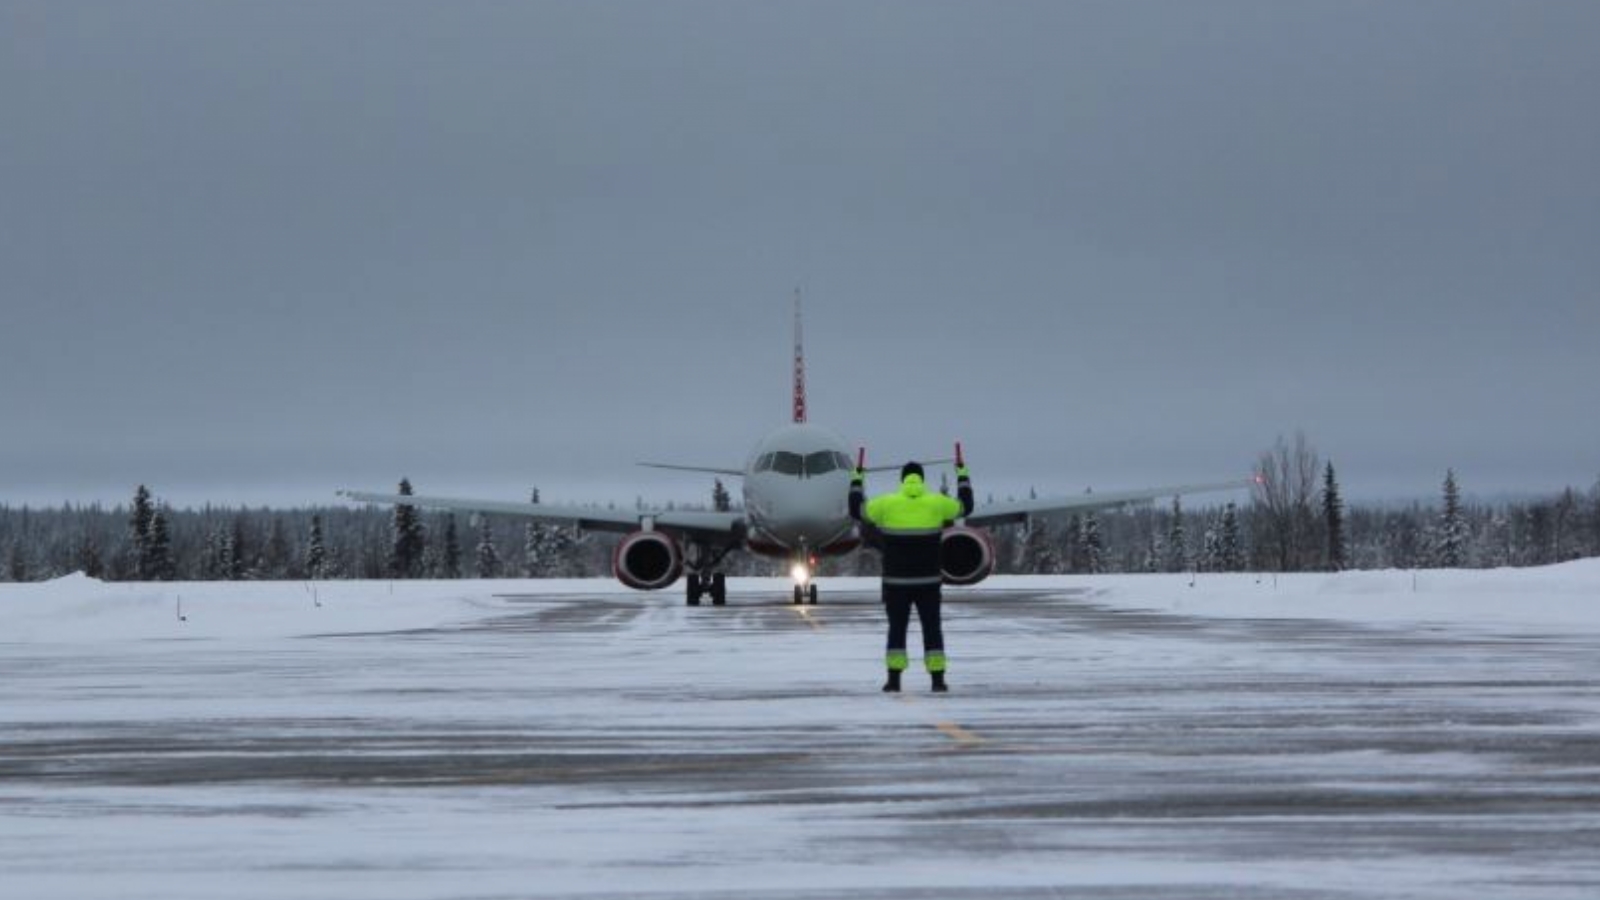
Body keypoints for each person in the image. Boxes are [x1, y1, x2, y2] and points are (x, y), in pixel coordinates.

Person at [849, 458, 974, 692]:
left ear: (902, 480)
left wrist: (857, 479)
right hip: (928, 582)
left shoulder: (887, 504)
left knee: (897, 630)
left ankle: (894, 680)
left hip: (896, 583)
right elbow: (966, 506)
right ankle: (937, 680)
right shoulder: (936, 503)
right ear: (922, 479)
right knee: (932, 629)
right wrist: (962, 474)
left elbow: (857, 509)